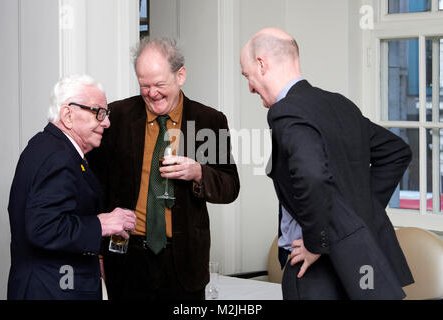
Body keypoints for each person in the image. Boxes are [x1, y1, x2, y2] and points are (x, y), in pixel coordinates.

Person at [240, 28, 414, 299]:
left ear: (261, 65)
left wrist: (315, 242)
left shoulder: (285, 111)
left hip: (313, 267)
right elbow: (397, 151)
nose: (250, 87)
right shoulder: (339, 104)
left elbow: (312, 174)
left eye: (247, 76)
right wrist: (357, 213)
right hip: (357, 261)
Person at [87, 37, 240, 300]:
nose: (152, 93)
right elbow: (95, 187)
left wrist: (199, 173)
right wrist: (97, 251)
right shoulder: (117, 116)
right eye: (144, 85)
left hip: (184, 264)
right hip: (126, 260)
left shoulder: (208, 121)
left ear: (180, 75)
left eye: (159, 84)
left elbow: (230, 187)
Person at [7, 74, 136, 300]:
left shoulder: (47, 146)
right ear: (68, 115)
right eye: (99, 112)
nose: (106, 122)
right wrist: (101, 224)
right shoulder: (58, 157)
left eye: (106, 114)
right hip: (52, 291)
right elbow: (43, 227)